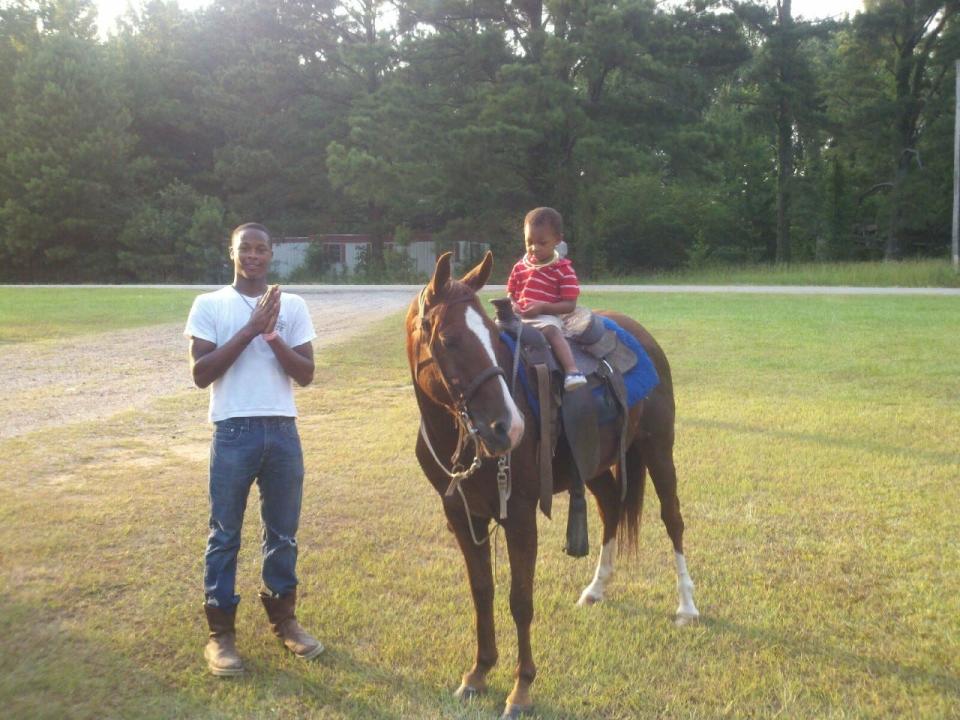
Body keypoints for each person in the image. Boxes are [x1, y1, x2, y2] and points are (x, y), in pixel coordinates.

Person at [184, 222, 323, 677]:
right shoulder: (210, 305)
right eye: (246, 248)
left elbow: (305, 374)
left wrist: (273, 334)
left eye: (261, 249)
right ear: (233, 253)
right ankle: (221, 636)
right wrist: (249, 329)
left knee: (282, 532)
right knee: (225, 534)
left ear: (271, 254)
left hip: (283, 430)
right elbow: (202, 373)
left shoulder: (294, 306)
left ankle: (285, 621)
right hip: (233, 430)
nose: (254, 256)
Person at [506, 207, 587, 390]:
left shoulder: (563, 270)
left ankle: (572, 370)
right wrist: (513, 304)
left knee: (552, 332)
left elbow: (569, 304)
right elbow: (511, 291)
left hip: (545, 317)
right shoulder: (520, 267)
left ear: (557, 240)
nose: (534, 248)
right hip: (520, 316)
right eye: (529, 242)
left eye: (542, 242)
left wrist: (543, 308)